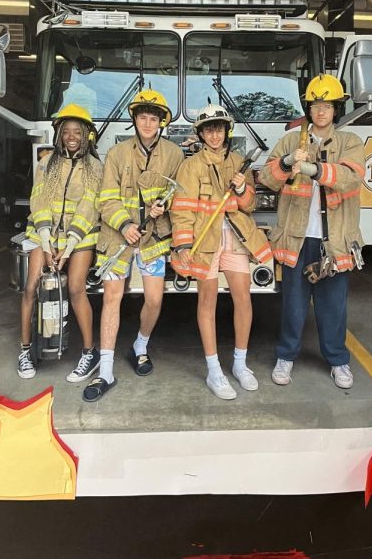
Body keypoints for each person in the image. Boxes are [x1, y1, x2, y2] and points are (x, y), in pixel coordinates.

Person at [258, 74, 365, 390]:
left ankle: (338, 361)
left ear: (336, 109)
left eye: (327, 106)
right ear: (308, 107)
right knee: (293, 305)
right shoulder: (293, 140)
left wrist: (314, 169)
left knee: (333, 306)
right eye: (315, 105)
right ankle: (286, 357)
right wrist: (289, 161)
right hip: (297, 238)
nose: (320, 112)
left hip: (335, 241)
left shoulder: (350, 142)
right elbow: (267, 177)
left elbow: (350, 178)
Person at [83, 89, 183, 402]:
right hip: (118, 238)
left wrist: (162, 208)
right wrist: (125, 225)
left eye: (154, 118)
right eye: (143, 117)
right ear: (135, 120)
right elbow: (107, 198)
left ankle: (139, 346)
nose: (148, 123)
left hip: (153, 239)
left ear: (162, 121)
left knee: (154, 299)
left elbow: (178, 196)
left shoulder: (174, 155)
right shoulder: (116, 154)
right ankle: (107, 370)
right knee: (112, 297)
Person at [171, 105, 273, 399]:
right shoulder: (190, 167)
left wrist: (242, 190)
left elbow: (250, 206)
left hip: (237, 240)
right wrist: (183, 245)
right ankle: (214, 370)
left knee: (244, 298)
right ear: (201, 134)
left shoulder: (239, 162)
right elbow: (182, 210)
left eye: (218, 129)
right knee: (208, 302)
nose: (214, 135)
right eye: (208, 129)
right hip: (206, 244)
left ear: (226, 132)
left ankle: (240, 365)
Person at [17, 104, 103, 383]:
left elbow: (90, 207)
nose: (71, 136)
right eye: (66, 131)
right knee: (31, 287)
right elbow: (38, 200)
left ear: (87, 135)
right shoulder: (46, 163)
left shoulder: (95, 167)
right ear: (59, 135)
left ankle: (90, 353)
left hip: (78, 238)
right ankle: (26, 350)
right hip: (44, 235)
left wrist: (66, 249)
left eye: (77, 131)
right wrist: (45, 241)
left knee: (77, 289)